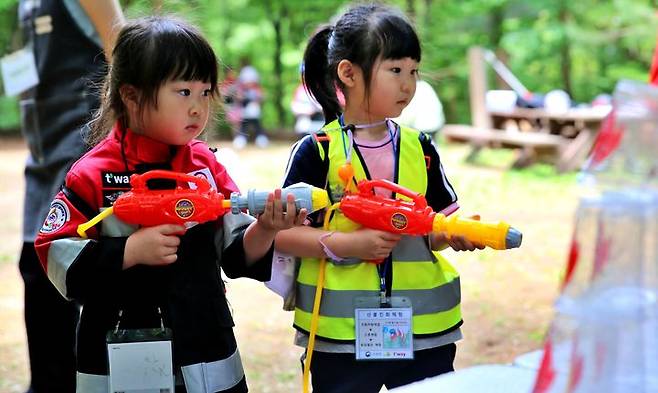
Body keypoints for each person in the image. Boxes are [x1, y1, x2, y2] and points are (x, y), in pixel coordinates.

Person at [34, 16, 306, 393]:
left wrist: (267, 228)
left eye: (205, 92)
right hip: (118, 355)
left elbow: (235, 251)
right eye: (183, 92)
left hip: (206, 348)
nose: (198, 108)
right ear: (131, 96)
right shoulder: (93, 174)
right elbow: (53, 253)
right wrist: (127, 251)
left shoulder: (206, 168)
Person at [275, 4, 483, 392]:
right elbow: (281, 236)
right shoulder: (317, 151)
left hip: (425, 331)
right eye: (395, 70)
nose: (408, 84)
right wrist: (349, 244)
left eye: (414, 71)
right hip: (341, 339)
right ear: (349, 73)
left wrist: (455, 232)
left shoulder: (420, 148)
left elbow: (433, 230)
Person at [16, 1, 124, 392]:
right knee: (37, 271)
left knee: (60, 273)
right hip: (42, 157)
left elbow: (124, 56)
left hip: (81, 157)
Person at [233, 57, 269, 149]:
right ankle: (240, 141)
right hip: (244, 112)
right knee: (243, 127)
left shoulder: (257, 90)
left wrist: (257, 99)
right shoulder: (242, 90)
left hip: (254, 111)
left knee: (257, 126)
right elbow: (238, 98)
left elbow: (262, 97)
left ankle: (261, 140)